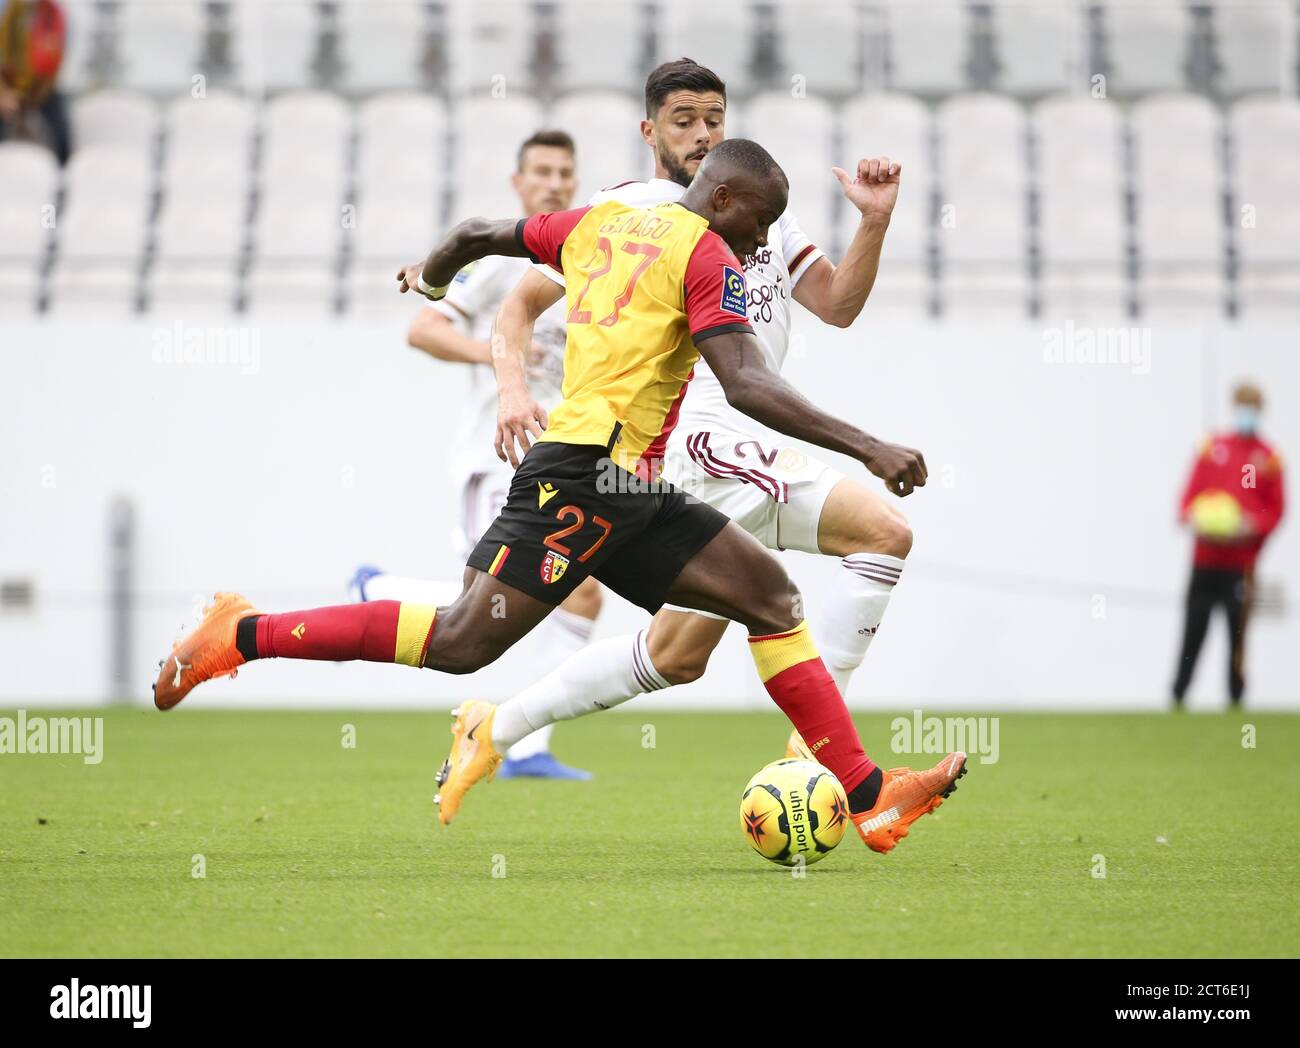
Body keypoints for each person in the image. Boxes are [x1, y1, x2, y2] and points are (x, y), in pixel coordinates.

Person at [152, 138, 965, 856]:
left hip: (625, 485)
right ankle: (241, 632)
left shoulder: (596, 223)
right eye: (758, 221)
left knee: (770, 596)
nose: (758, 241)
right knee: (462, 641)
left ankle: (865, 795)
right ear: (722, 199)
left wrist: (430, 279)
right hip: (582, 476)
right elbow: (748, 383)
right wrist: (871, 446)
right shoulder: (703, 252)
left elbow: (475, 236)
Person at [459, 58, 913, 768]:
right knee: (882, 531)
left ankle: (495, 730)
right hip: (697, 436)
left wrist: (875, 223)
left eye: (714, 120)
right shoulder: (625, 211)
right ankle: (822, 759)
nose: (702, 134)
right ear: (650, 132)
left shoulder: (758, 211)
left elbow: (836, 305)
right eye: (684, 122)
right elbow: (517, 306)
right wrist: (513, 388)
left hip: (726, 441)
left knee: (675, 656)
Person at [352, 130, 595, 781]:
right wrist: (502, 358)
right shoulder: (498, 261)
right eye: (541, 171)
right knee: (502, 599)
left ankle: (529, 750)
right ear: (518, 184)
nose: (554, 182)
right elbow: (423, 327)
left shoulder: (577, 257)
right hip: (499, 451)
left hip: (557, 456)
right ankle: (379, 591)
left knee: (574, 593)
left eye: (564, 173)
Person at [1172, 382, 1285, 707]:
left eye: (1251, 406)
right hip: (1204, 558)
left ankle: (1236, 703)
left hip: (1241, 563)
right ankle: (1178, 696)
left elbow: (1276, 510)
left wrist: (1252, 525)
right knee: (1194, 628)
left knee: (1238, 635)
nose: (1245, 413)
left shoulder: (1269, 458)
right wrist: (1195, 517)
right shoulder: (1212, 447)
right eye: (1241, 405)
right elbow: (1187, 499)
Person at [0, 0, 70, 163]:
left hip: (41, 88)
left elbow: (57, 56)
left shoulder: (54, 13)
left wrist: (39, 92)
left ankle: (60, 172)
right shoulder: (6, 9)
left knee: (60, 133)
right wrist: (4, 94)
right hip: (6, 85)